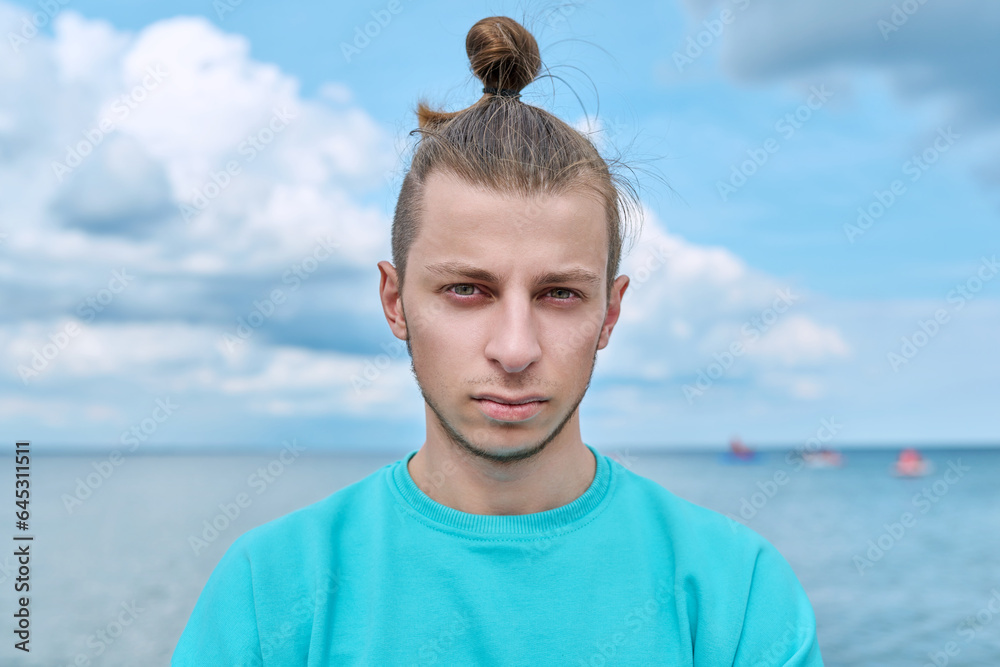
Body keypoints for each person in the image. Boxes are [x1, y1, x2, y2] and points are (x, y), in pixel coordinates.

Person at [172, 15, 824, 666]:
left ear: (610, 313)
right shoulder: (270, 590)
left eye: (559, 293)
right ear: (395, 301)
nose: (515, 350)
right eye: (467, 290)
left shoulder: (737, 595)